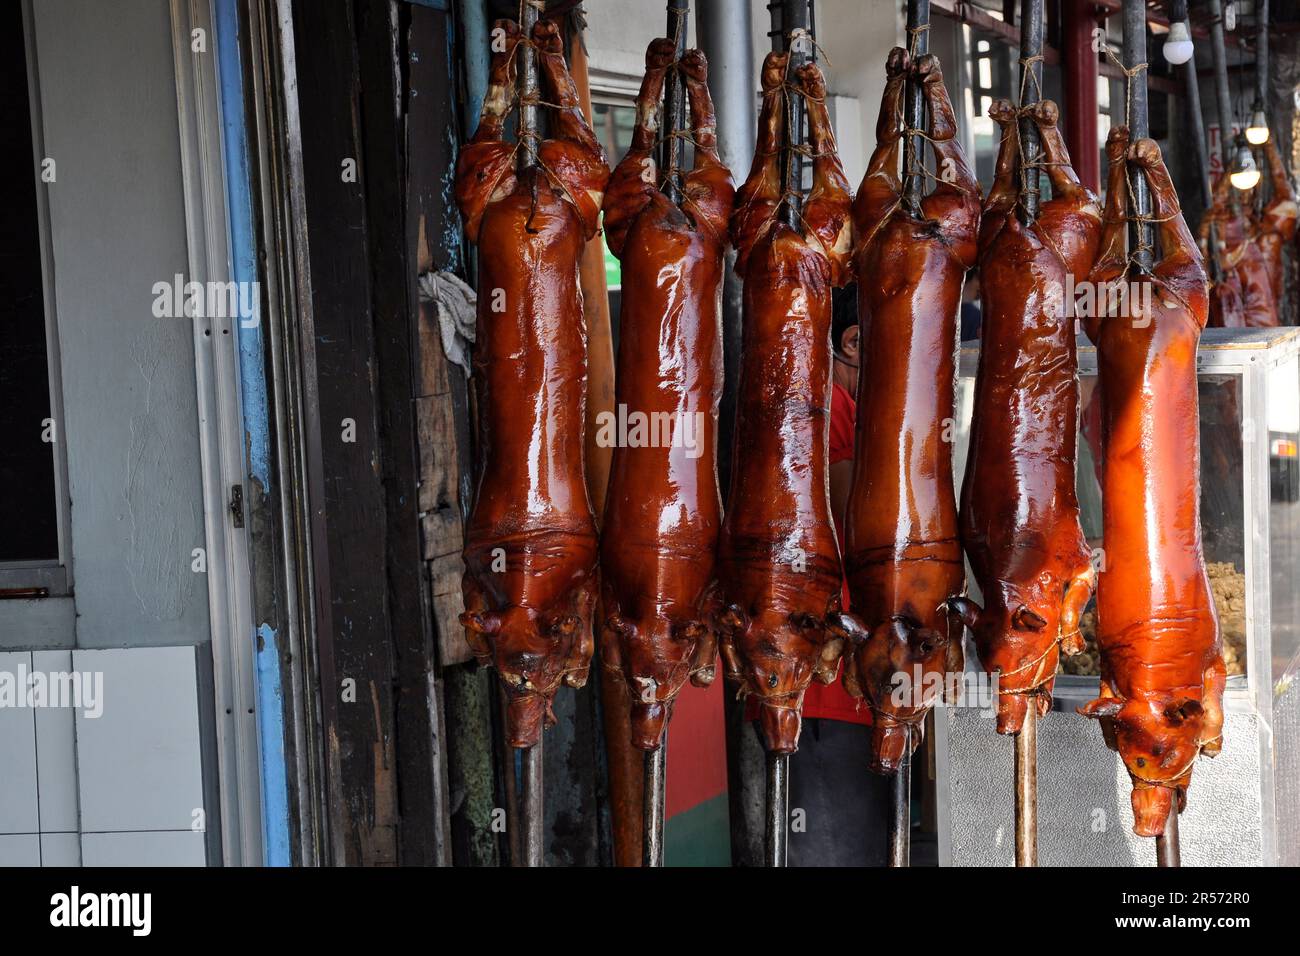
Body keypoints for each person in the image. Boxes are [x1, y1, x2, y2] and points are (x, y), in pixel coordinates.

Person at [757, 283, 894, 866]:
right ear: (855, 342)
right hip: (823, 691)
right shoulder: (829, 411)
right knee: (836, 850)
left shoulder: (850, 411)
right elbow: (854, 519)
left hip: (857, 684)